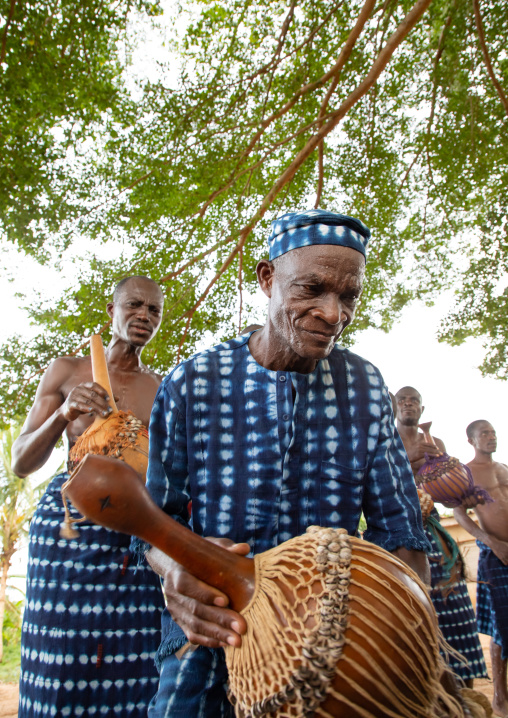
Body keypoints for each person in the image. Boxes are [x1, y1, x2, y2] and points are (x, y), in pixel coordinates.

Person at [138, 209, 431, 717]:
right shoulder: (193, 382)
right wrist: (173, 573)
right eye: (313, 288)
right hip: (210, 633)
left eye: (348, 296)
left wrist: (404, 648)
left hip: (328, 655)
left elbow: (400, 537)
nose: (333, 313)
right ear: (267, 277)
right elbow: (156, 524)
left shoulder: (365, 388)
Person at [13, 276, 167, 717]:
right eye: (134, 305)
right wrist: (66, 413)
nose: (144, 316)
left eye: (154, 311)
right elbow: (22, 461)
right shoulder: (67, 371)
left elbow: (166, 473)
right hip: (68, 533)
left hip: (133, 536)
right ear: (111, 311)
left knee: (135, 660)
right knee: (61, 652)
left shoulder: (160, 388)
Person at [394, 387, 488, 686]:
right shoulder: (385, 439)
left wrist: (461, 490)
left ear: (422, 410)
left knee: (454, 606)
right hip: (395, 531)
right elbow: (378, 482)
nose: (409, 405)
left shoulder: (434, 442)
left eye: (414, 401)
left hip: (432, 530)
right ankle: (417, 684)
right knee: (407, 612)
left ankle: (464, 688)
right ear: (395, 407)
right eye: (403, 400)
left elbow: (444, 497)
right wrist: (409, 459)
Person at [454, 420, 508, 717]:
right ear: (471, 440)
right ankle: (500, 695)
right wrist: (492, 542)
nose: (491, 437)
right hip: (496, 554)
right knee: (503, 626)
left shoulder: (503, 468)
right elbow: (460, 514)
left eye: (493, 432)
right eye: (484, 433)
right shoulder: (467, 472)